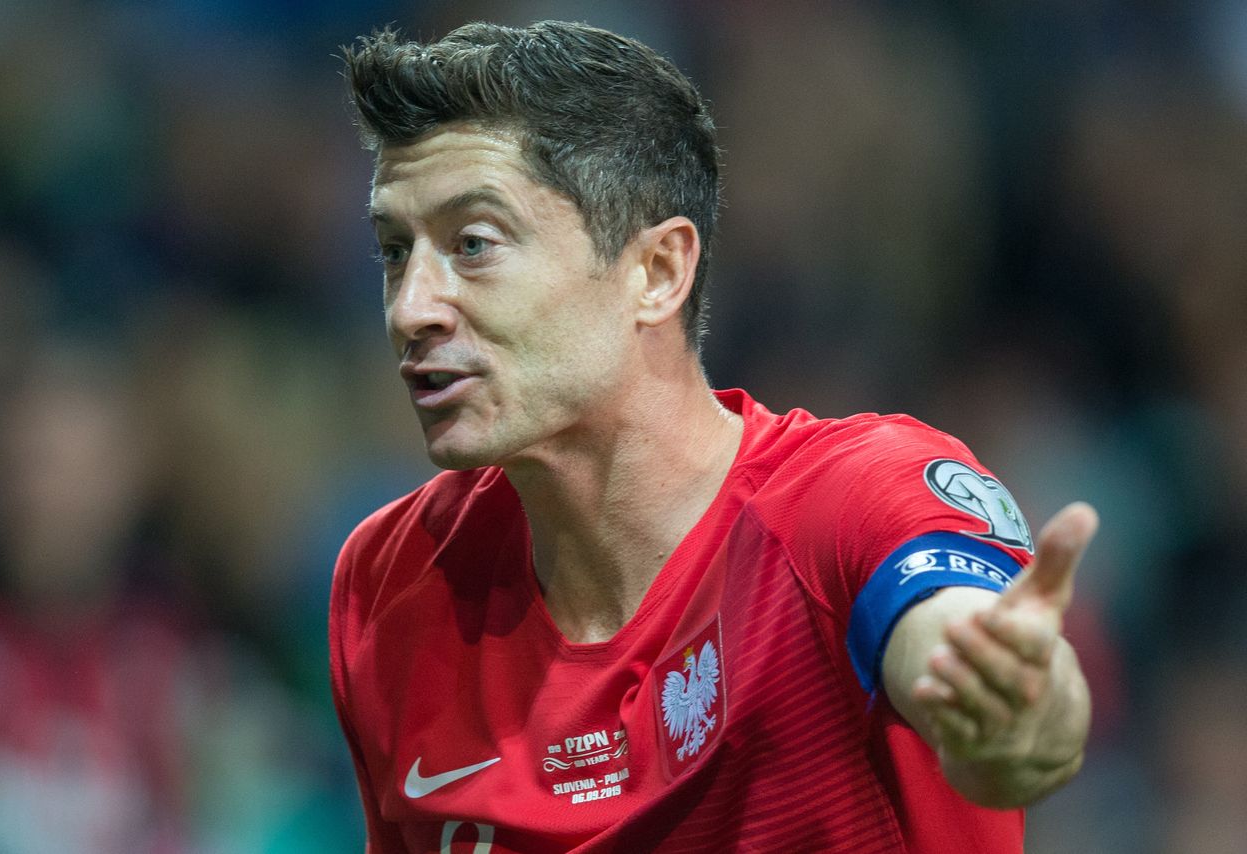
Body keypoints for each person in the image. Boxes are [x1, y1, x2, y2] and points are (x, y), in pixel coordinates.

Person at [329, 20, 1095, 853]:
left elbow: (945, 630)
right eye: (394, 252)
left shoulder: (852, 499)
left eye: (474, 245)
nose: (412, 308)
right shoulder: (389, 583)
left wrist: (1010, 710)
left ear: (656, 273)